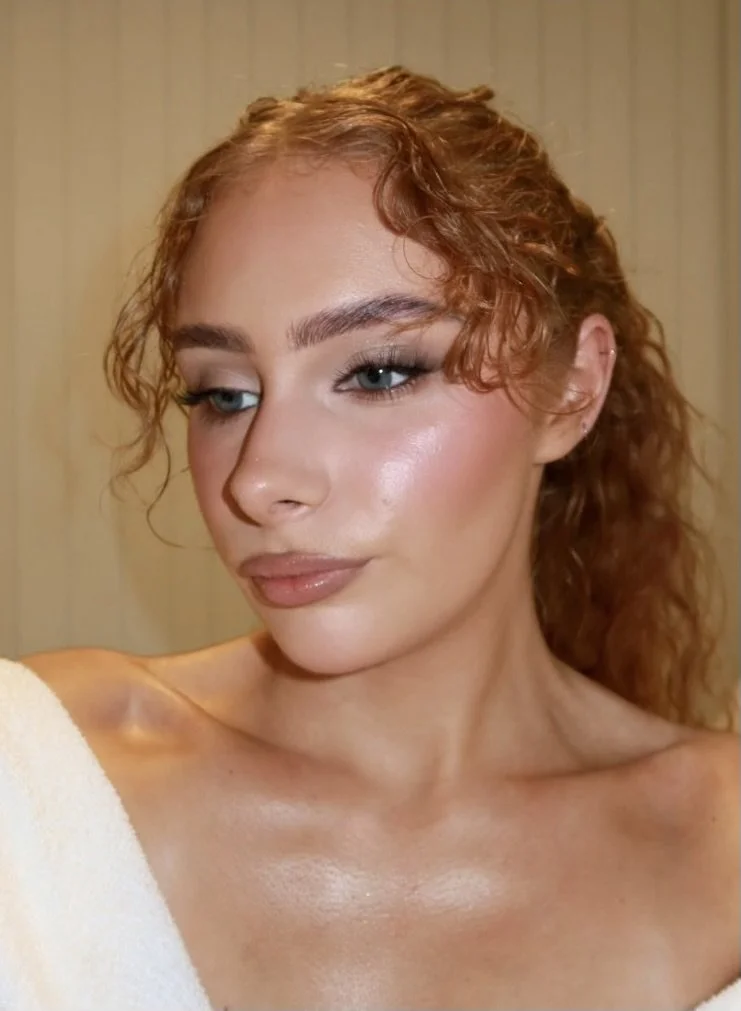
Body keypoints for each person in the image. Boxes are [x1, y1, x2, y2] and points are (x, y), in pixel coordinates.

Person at [0, 66, 738, 1011]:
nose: (259, 477)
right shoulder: (39, 782)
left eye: (380, 373)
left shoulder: (720, 846)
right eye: (221, 393)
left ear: (574, 389)